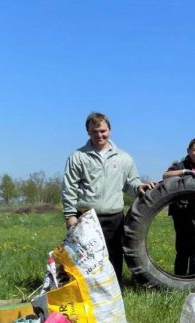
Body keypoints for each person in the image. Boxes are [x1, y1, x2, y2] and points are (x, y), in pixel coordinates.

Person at [62, 112, 155, 279]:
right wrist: (70, 215)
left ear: (110, 131)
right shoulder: (78, 157)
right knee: (87, 259)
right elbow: (69, 188)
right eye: (95, 131)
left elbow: (131, 183)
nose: (99, 135)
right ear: (88, 132)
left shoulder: (123, 158)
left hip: (114, 217)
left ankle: (114, 293)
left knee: (114, 256)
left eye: (103, 131)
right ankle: (88, 293)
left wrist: (140, 187)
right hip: (86, 217)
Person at [162, 138, 195, 275]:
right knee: (184, 248)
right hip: (183, 213)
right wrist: (184, 172)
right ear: (188, 150)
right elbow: (165, 176)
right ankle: (180, 278)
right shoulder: (179, 166)